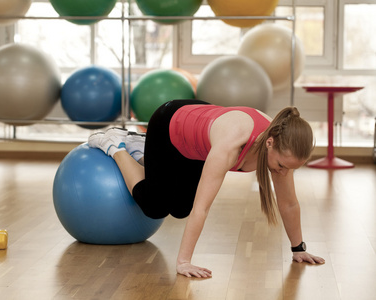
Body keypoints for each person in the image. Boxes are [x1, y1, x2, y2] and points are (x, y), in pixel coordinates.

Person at [88, 99, 325, 278]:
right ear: (269, 143)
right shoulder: (232, 144)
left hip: (198, 145)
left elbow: (289, 202)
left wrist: (298, 249)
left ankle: (141, 152)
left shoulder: (281, 146)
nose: (284, 173)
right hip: (170, 125)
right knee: (154, 205)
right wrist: (183, 262)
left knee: (180, 208)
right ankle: (115, 145)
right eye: (282, 166)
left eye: (290, 168)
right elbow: (202, 207)